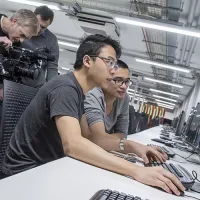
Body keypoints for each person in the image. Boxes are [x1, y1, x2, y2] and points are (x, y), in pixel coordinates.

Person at [2, 35, 184, 196]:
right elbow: (73, 145)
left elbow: (89, 139)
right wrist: (136, 170)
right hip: (23, 175)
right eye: (109, 62)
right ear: (88, 61)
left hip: (49, 167)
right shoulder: (65, 88)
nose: (113, 70)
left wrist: (132, 147)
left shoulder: (79, 91)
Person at [84, 60, 168, 164]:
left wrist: (107, 141)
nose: (124, 86)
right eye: (118, 80)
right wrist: (129, 145)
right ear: (106, 79)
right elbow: (99, 140)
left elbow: (122, 134)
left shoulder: (124, 99)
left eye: (127, 81)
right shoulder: (94, 96)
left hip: (100, 152)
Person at [21, 6, 59, 88]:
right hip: (12, 82)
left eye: (43, 27)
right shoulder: (20, 28)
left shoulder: (52, 40)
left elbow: (52, 68)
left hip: (35, 88)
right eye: (37, 24)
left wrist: (50, 91)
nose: (38, 29)